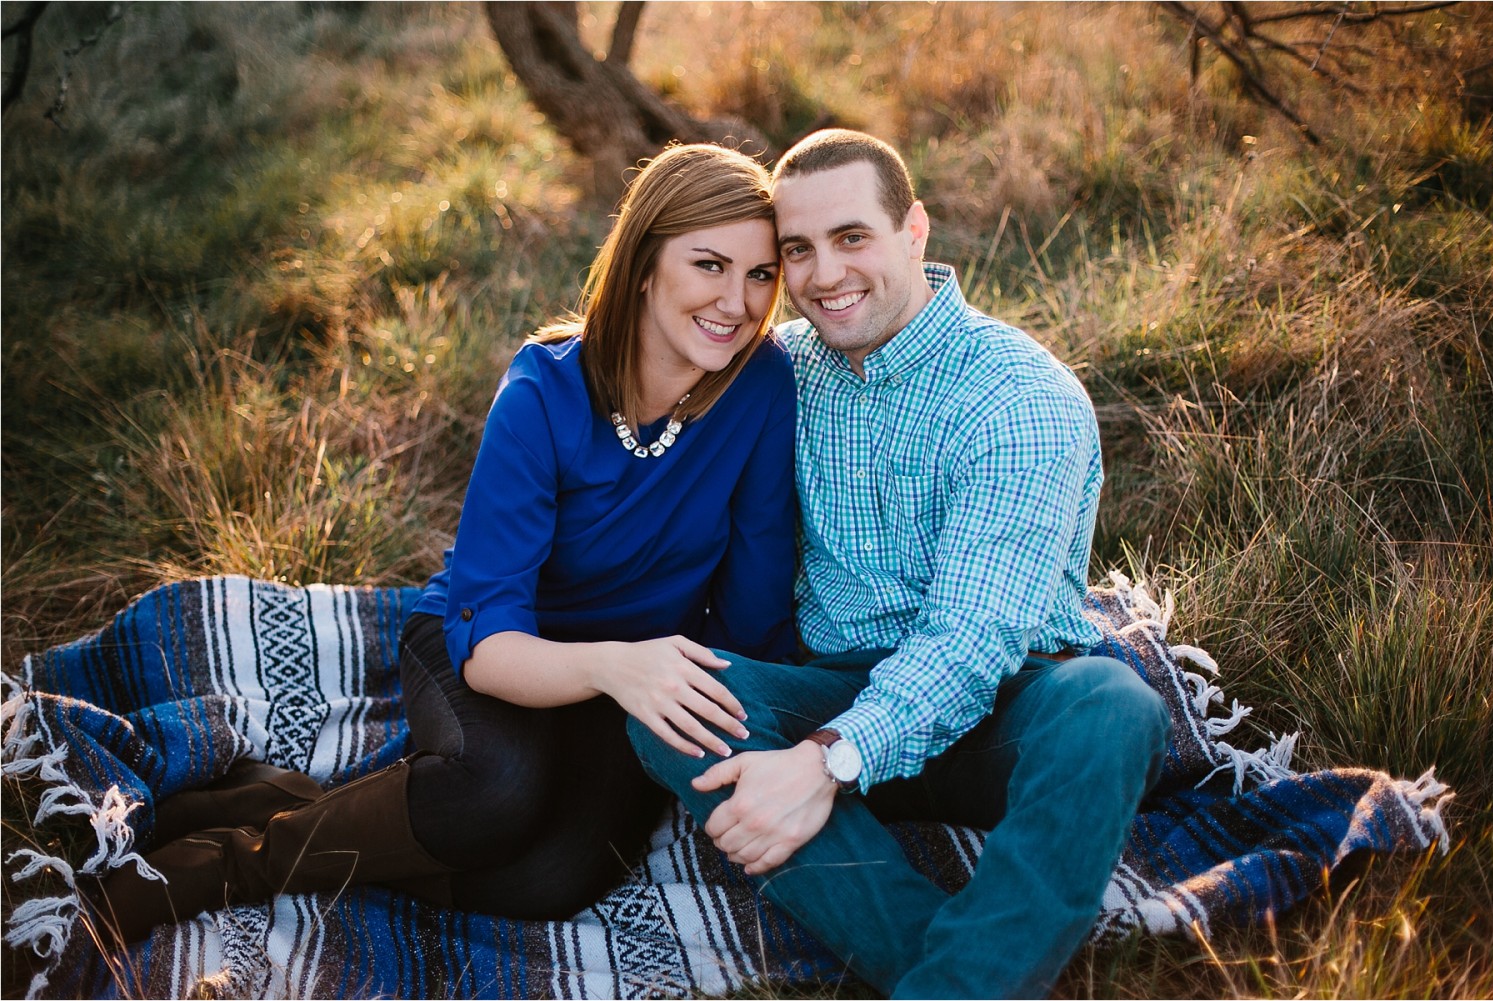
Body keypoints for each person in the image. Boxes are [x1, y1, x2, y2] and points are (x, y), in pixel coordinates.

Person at [90, 142, 799, 945]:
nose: (737, 302)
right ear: (643, 264)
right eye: (709, 264)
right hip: (493, 650)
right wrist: (611, 662)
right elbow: (490, 639)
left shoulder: (762, 385)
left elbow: (756, 592)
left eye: (760, 274)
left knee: (555, 876)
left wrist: (773, 732)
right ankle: (230, 860)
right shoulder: (543, 394)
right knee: (495, 792)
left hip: (632, 682)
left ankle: (271, 797)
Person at [629, 129, 1171, 999]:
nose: (824, 274)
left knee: (1113, 707)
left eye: (852, 238)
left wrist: (825, 764)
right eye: (797, 251)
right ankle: (956, 969)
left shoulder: (1017, 397)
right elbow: (646, 377)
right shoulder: (781, 372)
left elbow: (974, 637)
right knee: (667, 700)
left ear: (914, 230)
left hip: (1000, 711)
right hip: (828, 684)